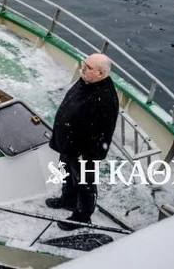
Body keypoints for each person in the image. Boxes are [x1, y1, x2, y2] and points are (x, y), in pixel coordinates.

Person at [46, 53, 119, 230]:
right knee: (67, 173)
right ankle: (68, 200)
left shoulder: (105, 98)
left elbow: (102, 132)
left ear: (100, 74)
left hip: (83, 153)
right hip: (69, 145)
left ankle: (82, 216)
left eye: (87, 68)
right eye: (83, 65)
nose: (82, 69)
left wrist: (85, 155)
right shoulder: (86, 82)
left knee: (85, 184)